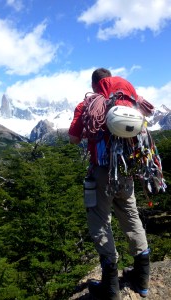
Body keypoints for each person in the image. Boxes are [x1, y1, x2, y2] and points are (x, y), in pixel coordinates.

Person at [68, 68, 150, 300]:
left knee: (100, 223)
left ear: (95, 84)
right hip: (126, 170)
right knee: (131, 216)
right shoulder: (131, 102)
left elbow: (74, 139)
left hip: (101, 172)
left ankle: (110, 287)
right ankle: (142, 279)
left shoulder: (88, 104)